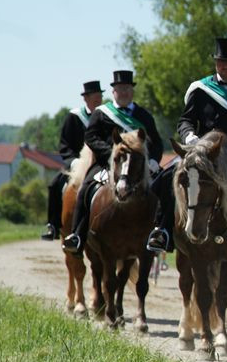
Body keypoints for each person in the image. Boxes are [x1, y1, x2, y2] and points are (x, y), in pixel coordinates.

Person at [145, 38, 227, 271]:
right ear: (216, 63)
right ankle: (162, 230)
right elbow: (186, 120)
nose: (225, 66)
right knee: (168, 177)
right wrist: (188, 136)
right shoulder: (200, 89)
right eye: (220, 62)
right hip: (202, 152)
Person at [62, 71, 163, 254]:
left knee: (164, 187)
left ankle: (161, 233)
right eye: (119, 89)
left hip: (139, 167)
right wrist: (113, 155)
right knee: (85, 189)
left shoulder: (144, 115)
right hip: (106, 163)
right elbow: (91, 137)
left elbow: (156, 142)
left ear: (132, 91)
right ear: (113, 92)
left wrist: (154, 161)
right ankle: (77, 235)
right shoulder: (102, 113)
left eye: (126, 89)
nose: (123, 92)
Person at [42, 80, 103, 240]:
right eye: (95, 97)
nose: (98, 99)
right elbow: (65, 145)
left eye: (100, 96)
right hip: (77, 164)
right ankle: (53, 225)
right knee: (54, 184)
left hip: (102, 163)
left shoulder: (106, 115)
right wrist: (73, 161)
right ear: (86, 98)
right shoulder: (74, 117)